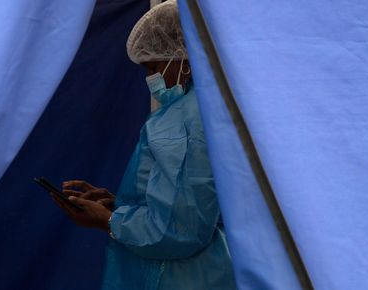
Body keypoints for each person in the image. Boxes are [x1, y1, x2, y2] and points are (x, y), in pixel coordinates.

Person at [51, 1, 236, 289]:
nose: (150, 78)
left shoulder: (183, 121)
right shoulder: (217, 108)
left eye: (153, 66)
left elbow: (176, 231)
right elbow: (199, 202)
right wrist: (120, 204)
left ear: (182, 57)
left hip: (186, 276)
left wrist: (109, 220)